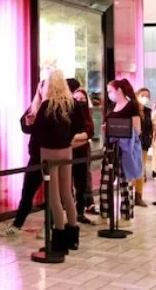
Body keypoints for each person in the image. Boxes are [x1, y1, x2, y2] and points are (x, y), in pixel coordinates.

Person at [31, 70, 85, 253]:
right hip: (66, 150)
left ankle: (59, 238)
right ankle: (73, 236)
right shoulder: (72, 104)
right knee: (67, 193)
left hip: (49, 152)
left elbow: (36, 132)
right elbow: (79, 127)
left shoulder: (46, 106)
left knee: (53, 196)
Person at [0, 71, 49, 238]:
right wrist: (28, 122)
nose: (43, 90)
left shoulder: (54, 107)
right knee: (27, 191)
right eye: (41, 87)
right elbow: (26, 127)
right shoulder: (35, 106)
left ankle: (50, 227)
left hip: (52, 155)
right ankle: (17, 224)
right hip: (35, 156)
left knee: (53, 194)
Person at [98, 79, 143, 226]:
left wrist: (121, 130)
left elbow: (137, 130)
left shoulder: (131, 107)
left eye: (110, 91)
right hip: (110, 148)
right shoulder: (112, 107)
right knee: (105, 183)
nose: (109, 94)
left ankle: (126, 216)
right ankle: (104, 214)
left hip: (125, 150)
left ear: (119, 90)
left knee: (125, 183)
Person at [71, 87, 96, 224]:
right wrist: (82, 138)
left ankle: (80, 212)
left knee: (81, 184)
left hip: (82, 154)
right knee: (67, 185)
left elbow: (90, 132)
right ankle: (70, 212)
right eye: (76, 98)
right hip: (68, 155)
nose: (79, 101)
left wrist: (75, 138)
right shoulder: (68, 114)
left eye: (82, 99)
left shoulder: (88, 115)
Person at [134, 88, 154, 207]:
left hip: (144, 144)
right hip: (133, 144)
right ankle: (129, 193)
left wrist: (149, 138)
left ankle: (138, 195)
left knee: (140, 170)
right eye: (142, 95)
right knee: (132, 169)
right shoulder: (132, 109)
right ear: (137, 95)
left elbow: (150, 128)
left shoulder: (148, 111)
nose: (145, 98)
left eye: (147, 96)